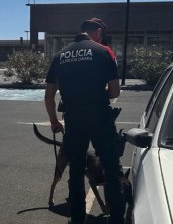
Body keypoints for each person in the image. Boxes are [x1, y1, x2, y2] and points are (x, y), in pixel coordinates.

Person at [44, 18, 125, 224]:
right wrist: (97, 93)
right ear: (97, 32)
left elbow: (49, 95)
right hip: (100, 119)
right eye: (102, 34)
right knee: (111, 169)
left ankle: (77, 218)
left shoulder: (60, 56)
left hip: (74, 120)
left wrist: (54, 121)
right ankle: (116, 218)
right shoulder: (103, 52)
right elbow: (115, 91)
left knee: (76, 170)